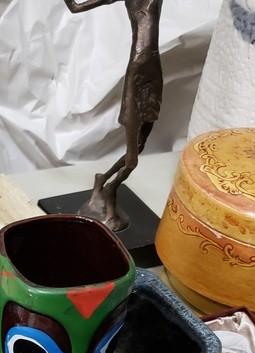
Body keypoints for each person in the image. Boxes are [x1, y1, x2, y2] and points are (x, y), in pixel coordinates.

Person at [63, 0, 163, 230]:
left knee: (142, 141)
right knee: (132, 158)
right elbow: (76, 7)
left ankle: (103, 180)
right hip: (138, 69)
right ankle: (110, 190)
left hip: (154, 67)